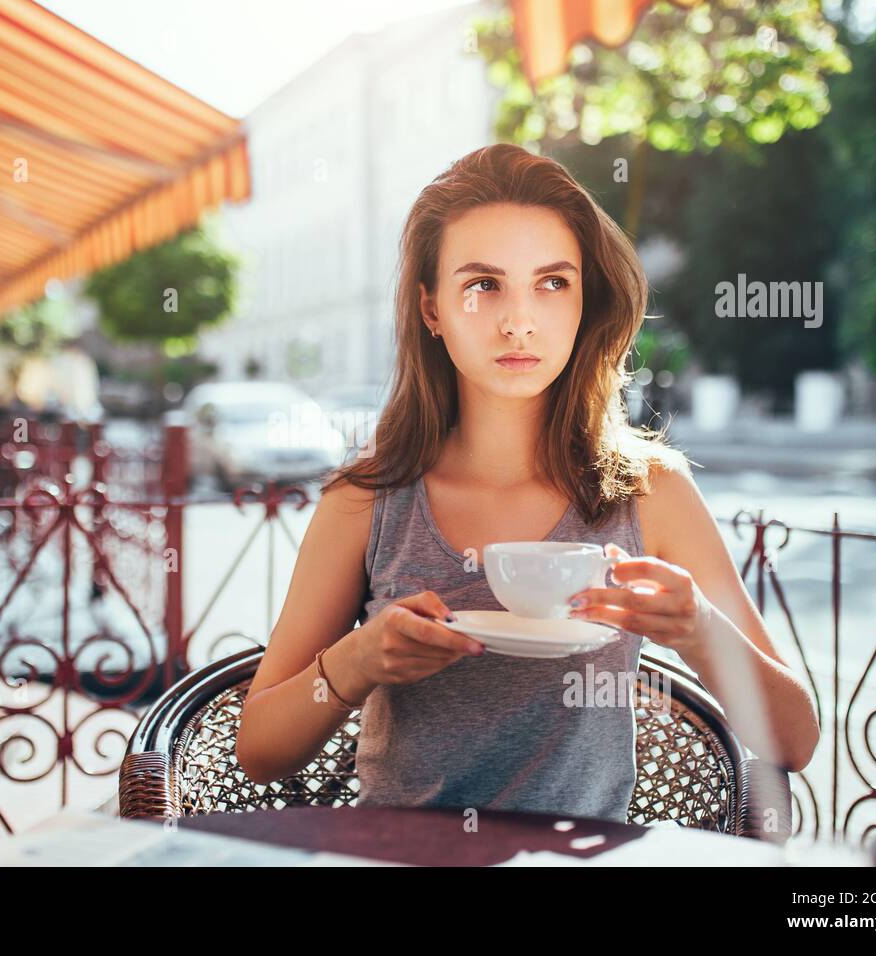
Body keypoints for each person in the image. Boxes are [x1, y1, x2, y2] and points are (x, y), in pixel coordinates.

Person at [236, 144, 819, 821]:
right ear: (431, 310)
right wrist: (357, 662)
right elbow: (260, 751)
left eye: (551, 283)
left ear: (584, 301)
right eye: (483, 285)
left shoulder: (650, 492)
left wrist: (697, 629)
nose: (520, 319)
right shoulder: (366, 500)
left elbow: (796, 742)